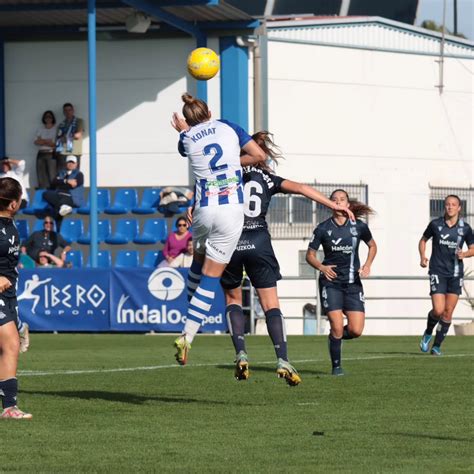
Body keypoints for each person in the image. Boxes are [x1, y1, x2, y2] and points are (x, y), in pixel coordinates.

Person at [221, 132, 355, 385]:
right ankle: (282, 358)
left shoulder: (228, 173)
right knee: (271, 304)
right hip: (259, 241)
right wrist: (332, 204)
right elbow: (303, 189)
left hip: (232, 240)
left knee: (232, 298)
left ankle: (240, 353)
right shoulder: (269, 178)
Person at [170, 92, 266, 365]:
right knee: (212, 279)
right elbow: (258, 155)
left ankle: (189, 315)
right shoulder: (229, 127)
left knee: (198, 262)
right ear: (209, 112)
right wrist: (235, 161)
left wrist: (184, 130)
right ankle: (187, 336)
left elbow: (190, 143)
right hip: (229, 212)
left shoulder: (185, 139)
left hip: (202, 210)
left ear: (186, 120)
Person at [306, 189, 377, 376]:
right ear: (330, 204)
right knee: (337, 326)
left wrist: (368, 265)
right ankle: (336, 365)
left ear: (347, 204)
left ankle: (335, 338)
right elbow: (310, 255)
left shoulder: (358, 227)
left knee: (356, 330)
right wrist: (322, 267)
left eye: (342, 199)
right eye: (335, 200)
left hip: (353, 283)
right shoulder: (323, 228)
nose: (338, 202)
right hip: (331, 283)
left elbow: (372, 246)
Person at [418, 195, 474, 355]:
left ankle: (437, 346)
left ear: (459, 208)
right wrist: (422, 256)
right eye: (447, 204)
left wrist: (465, 254)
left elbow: (473, 248)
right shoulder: (435, 224)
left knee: (448, 312)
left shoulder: (465, 228)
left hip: (455, 274)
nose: (450, 207)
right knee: (438, 310)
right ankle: (428, 332)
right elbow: (423, 240)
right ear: (445, 207)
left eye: (453, 204)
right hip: (437, 271)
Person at [0, 177, 32, 419]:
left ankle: (9, 406)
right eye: (20, 197)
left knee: (9, 346)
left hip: (9, 294)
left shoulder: (10, 225)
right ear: (13, 203)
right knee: (10, 344)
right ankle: (10, 407)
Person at [43, 155, 85, 230]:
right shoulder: (61, 173)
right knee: (45, 194)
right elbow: (53, 182)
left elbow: (73, 185)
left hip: (71, 197)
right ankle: (64, 207)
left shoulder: (79, 174)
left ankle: (58, 232)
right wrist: (66, 181)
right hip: (58, 195)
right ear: (66, 163)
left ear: (76, 164)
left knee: (57, 208)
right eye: (69, 162)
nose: (70, 164)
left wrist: (61, 182)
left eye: (72, 162)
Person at [55, 103, 84, 170]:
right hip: (62, 152)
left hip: (75, 151)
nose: (68, 112)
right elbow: (58, 138)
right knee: (61, 174)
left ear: (73, 110)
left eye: (69, 110)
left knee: (74, 174)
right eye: (65, 110)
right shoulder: (61, 124)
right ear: (63, 112)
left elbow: (78, 135)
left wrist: (66, 137)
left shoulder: (79, 121)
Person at [34, 110, 58, 189]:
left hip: (51, 154)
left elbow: (55, 144)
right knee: (41, 176)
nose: (48, 118)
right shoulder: (40, 129)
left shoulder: (55, 129)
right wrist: (48, 141)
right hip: (41, 153)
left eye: (50, 117)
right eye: (46, 117)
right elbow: (36, 142)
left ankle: (53, 193)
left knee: (52, 175)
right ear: (44, 118)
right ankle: (43, 193)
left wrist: (43, 141)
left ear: (52, 118)